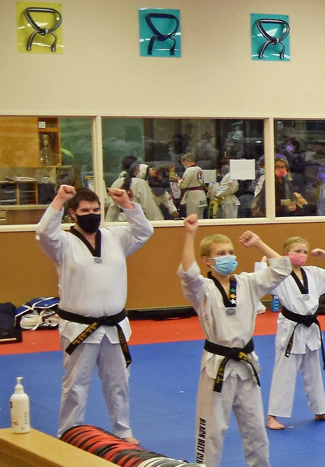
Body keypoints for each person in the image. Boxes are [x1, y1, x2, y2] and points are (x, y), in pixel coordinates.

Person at [179, 218, 286, 467]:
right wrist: (190, 234)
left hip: (247, 363)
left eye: (230, 252)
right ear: (207, 261)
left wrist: (259, 243)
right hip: (217, 365)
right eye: (220, 254)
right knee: (212, 428)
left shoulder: (248, 282)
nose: (228, 257)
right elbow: (187, 273)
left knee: (255, 427)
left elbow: (282, 268)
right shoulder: (202, 289)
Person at [36, 184, 150, 438]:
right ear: (73, 214)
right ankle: (69, 432)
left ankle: (123, 431)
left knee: (118, 383)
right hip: (79, 326)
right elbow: (43, 233)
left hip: (114, 325)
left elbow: (144, 231)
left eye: (97, 209)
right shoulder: (62, 243)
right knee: (75, 386)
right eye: (85, 210)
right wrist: (58, 200)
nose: (92, 214)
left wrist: (126, 205)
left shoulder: (115, 237)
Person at [264, 236, 325, 431]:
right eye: (297, 251)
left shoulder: (314, 273)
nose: (302, 255)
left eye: (304, 251)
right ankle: (272, 416)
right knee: (284, 373)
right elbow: (262, 280)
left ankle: (320, 411)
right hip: (291, 327)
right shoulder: (279, 275)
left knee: (313, 372)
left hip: (310, 327)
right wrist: (263, 261)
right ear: (286, 254)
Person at [175, 154, 209, 219]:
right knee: (200, 217)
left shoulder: (189, 170)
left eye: (183, 162)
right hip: (201, 195)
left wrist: (178, 180)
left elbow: (183, 185)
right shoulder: (199, 169)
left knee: (192, 217)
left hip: (193, 196)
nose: (184, 164)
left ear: (186, 161)